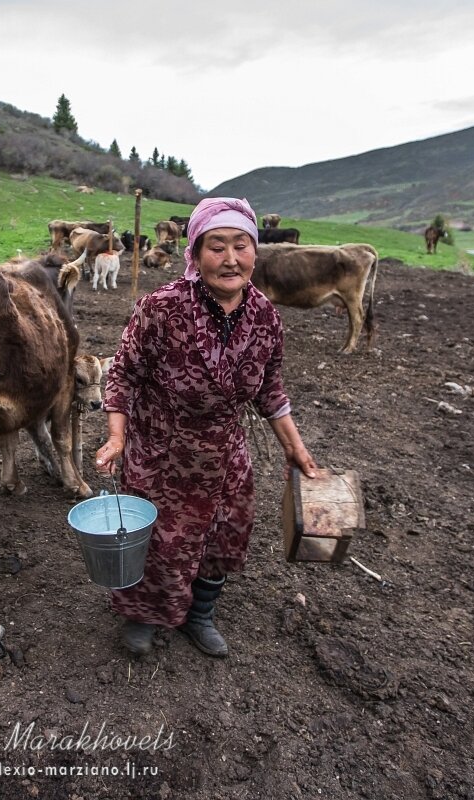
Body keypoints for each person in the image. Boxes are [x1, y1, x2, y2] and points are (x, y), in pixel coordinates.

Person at [93, 196, 317, 659]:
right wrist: (118, 436)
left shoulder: (266, 319)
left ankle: (200, 615)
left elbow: (270, 390)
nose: (230, 258)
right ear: (194, 253)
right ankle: (143, 615)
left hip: (223, 455)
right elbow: (123, 376)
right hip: (161, 452)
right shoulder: (160, 308)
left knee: (223, 535)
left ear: (256, 251)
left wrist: (295, 448)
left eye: (241, 245)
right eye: (217, 246)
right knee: (157, 540)